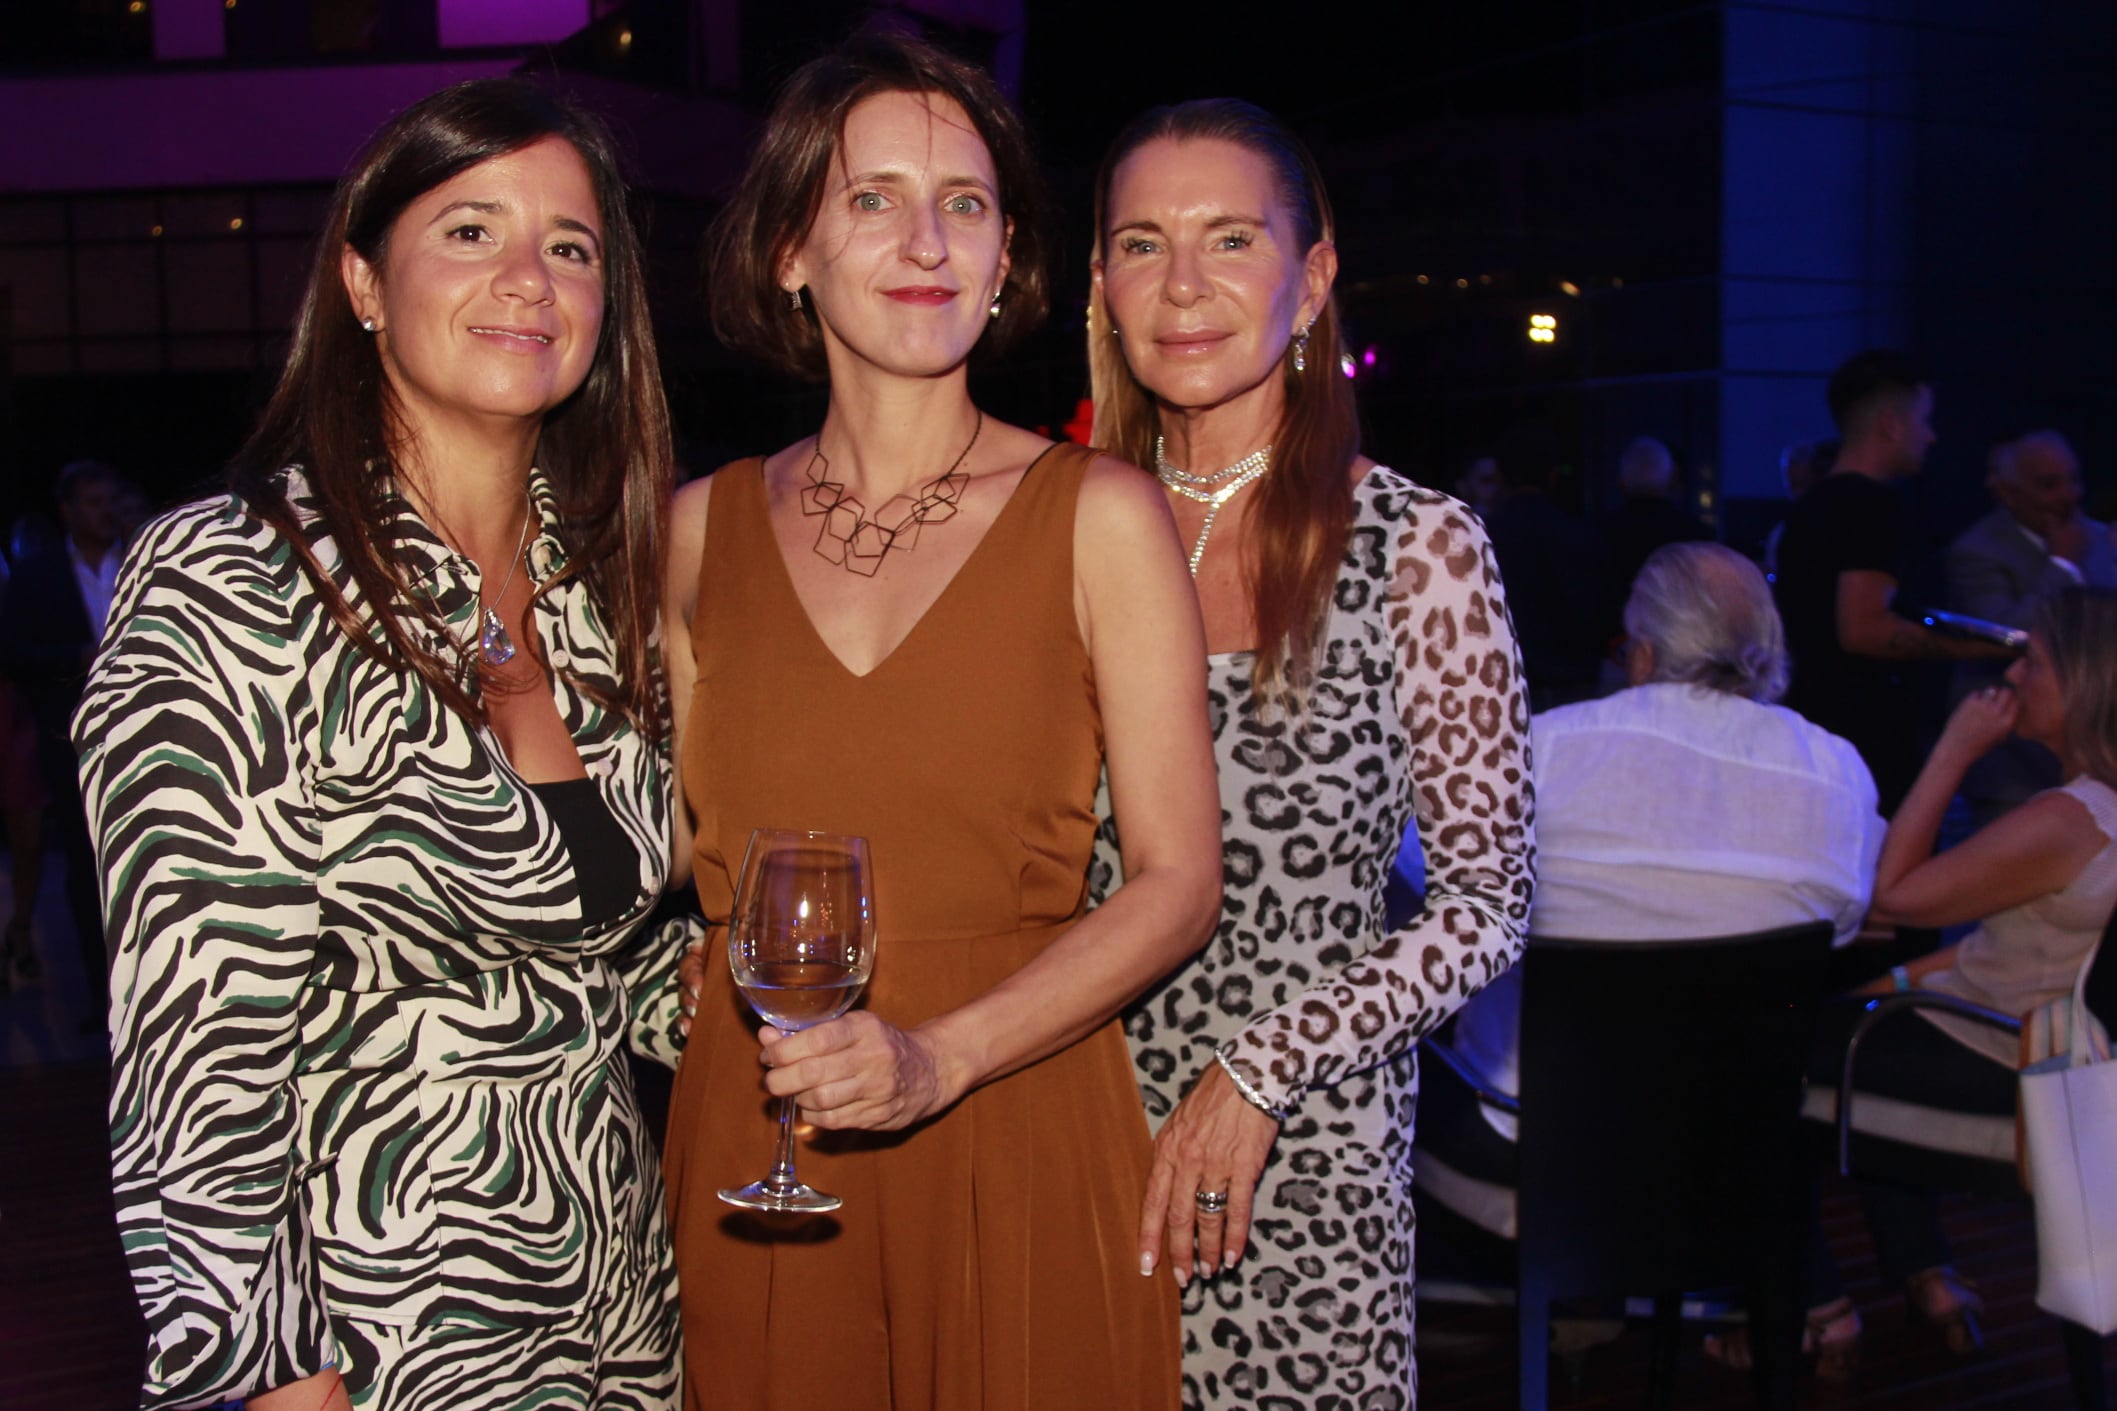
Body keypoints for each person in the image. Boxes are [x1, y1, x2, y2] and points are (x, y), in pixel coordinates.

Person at [74, 80, 687, 1410]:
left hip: (616, 1312)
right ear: (363, 279)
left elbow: (605, 955)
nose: (528, 276)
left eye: (570, 246)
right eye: (471, 230)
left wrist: (866, 1008)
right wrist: (275, 1374)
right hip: (375, 1327)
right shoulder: (231, 578)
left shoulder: (606, 591)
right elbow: (196, 1058)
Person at [659, 31, 1221, 1411]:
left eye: (964, 203)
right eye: (873, 198)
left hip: (1011, 1108)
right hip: (764, 1133)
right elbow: (662, 842)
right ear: (790, 249)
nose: (926, 240)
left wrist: (937, 1056)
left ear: (1008, 254)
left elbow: (1178, 881)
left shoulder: (1099, 515)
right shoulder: (693, 532)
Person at [1085, 98, 1536, 1411]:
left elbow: (1486, 903)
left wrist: (1260, 1066)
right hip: (1068, 1112)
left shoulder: (1416, 543)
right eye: (1138, 243)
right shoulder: (1053, 532)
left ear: (1314, 272)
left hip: (1300, 1140)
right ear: (1100, 285)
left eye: (1229, 238)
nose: (1180, 286)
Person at [1420, 542, 1880, 1181]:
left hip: (1532, 1136)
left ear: (1642, 654)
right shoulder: (1839, 773)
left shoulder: (1541, 752)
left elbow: (1439, 899)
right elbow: (1843, 925)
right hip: (1736, 1140)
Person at [1794, 585, 2117, 1365]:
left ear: (2078, 682)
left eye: (2031, 661)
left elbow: (1893, 895)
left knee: (1756, 1059)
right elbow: (2009, 948)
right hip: (2028, 1028)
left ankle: (1812, 1305)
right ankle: (1923, 1270)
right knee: (1848, 1025)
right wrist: (1895, 984)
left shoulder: (2064, 820)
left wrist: (1954, 746)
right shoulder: (2096, 809)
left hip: (2007, 1055)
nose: (2012, 676)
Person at [1773, 349, 2011, 813]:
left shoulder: (1808, 507)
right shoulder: (1875, 505)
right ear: (1892, 424)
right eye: (1924, 419)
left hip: (1809, 728)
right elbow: (1865, 629)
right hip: (1865, 737)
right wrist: (1987, 647)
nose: (1932, 436)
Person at [0, 458, 126, 1022]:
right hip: (73, 743)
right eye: (93, 502)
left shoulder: (144, 560)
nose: (106, 513)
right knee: (84, 869)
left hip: (145, 741)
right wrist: (74, 659)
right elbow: (15, 656)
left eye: (110, 501)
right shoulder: (41, 575)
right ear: (68, 511)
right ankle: (103, 1000)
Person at [1946, 431, 2117, 824]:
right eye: (2048, 484)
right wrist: (2063, 566)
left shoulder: (2099, 537)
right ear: (2008, 493)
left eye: (2073, 480)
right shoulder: (1976, 551)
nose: (2067, 495)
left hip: (2102, 757)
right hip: (2016, 765)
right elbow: (2002, 634)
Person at [1483, 423, 1610, 710]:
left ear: (1501, 476)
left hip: (1503, 695)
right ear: (1553, 476)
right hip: (1578, 693)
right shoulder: (1583, 536)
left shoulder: (1481, 538)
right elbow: (1607, 617)